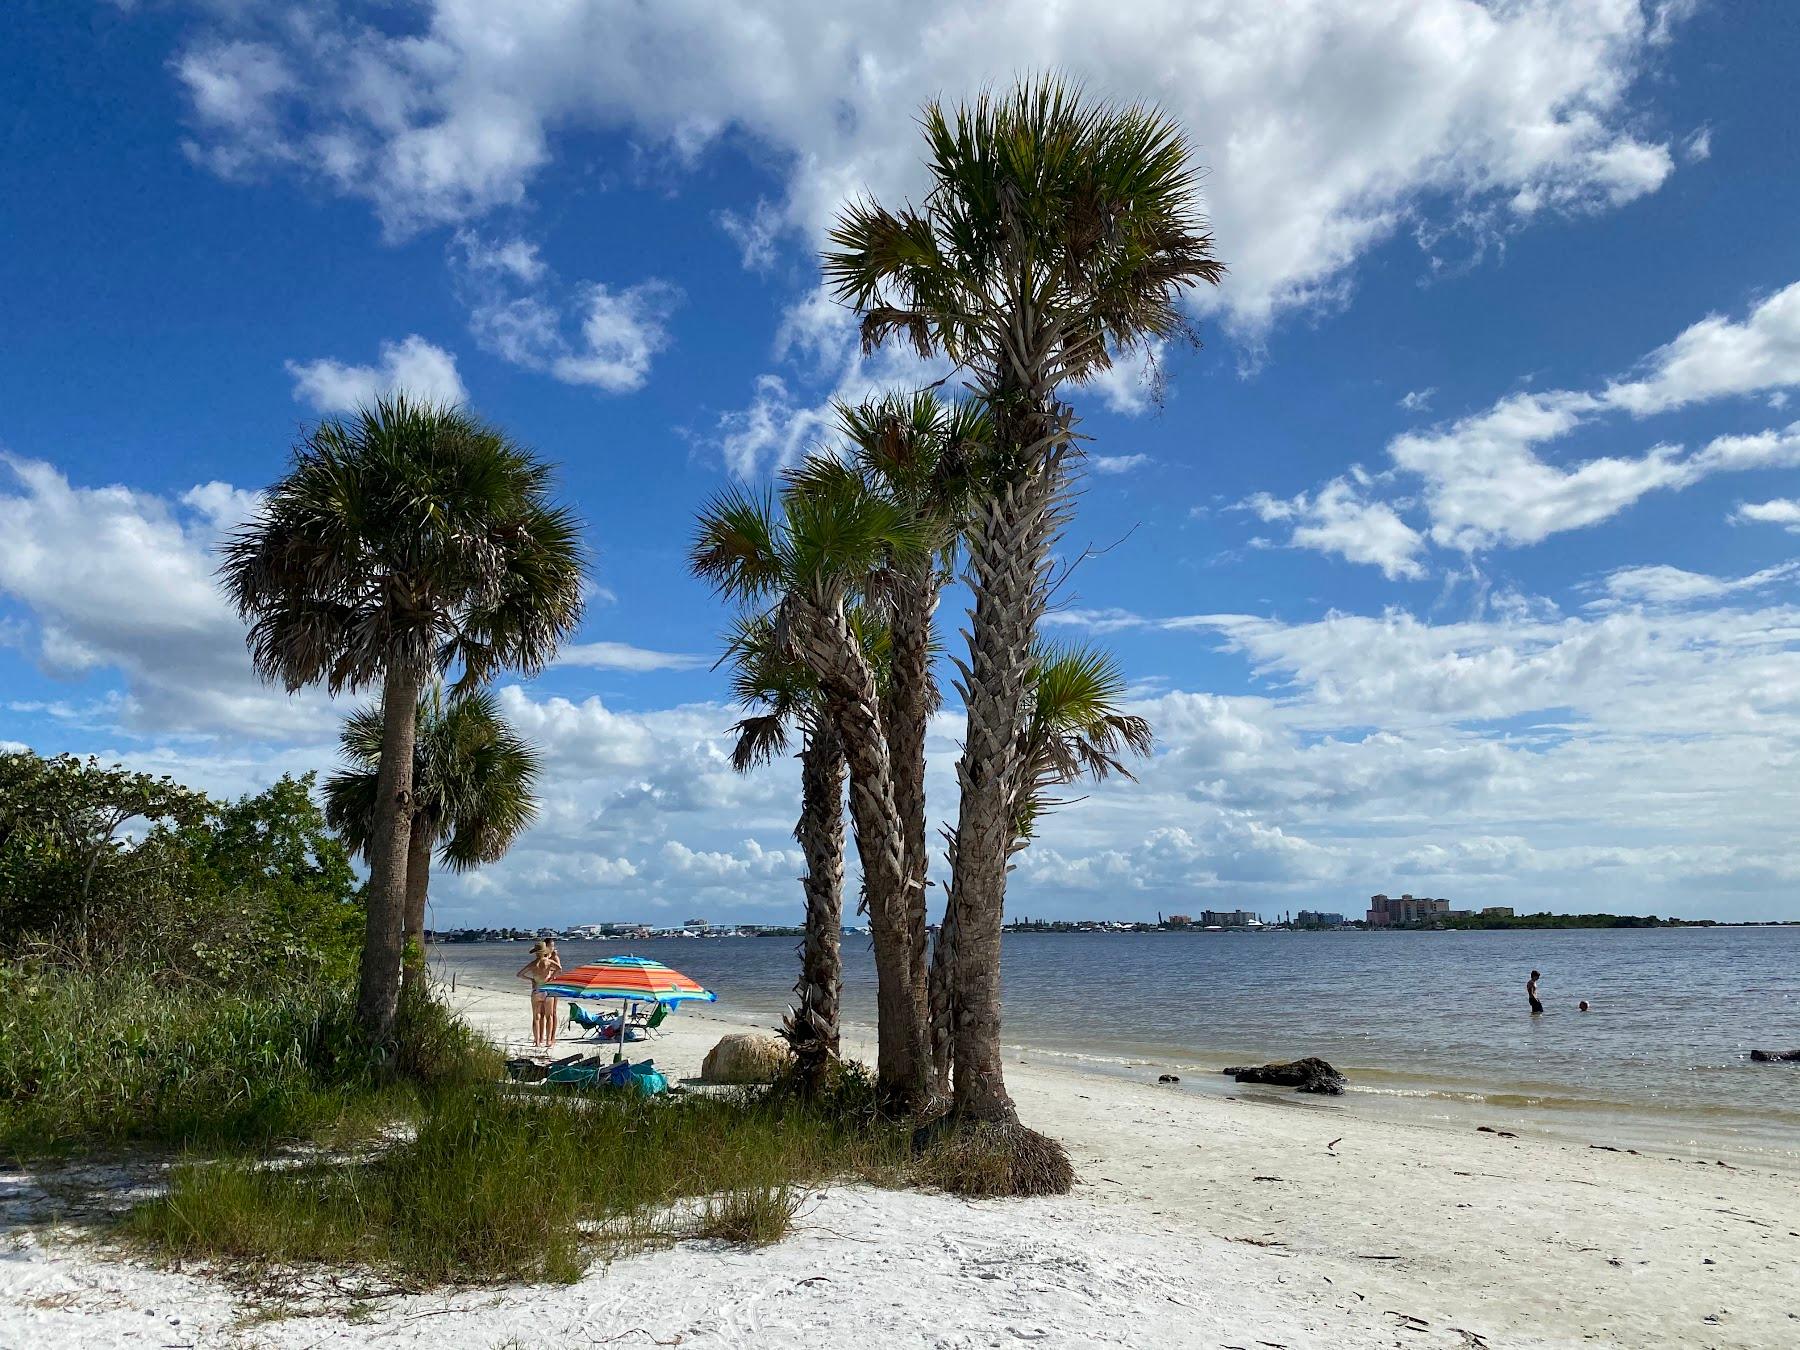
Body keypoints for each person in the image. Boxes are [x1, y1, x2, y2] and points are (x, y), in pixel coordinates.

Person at [516, 941, 562, 1049]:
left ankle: (537, 1041)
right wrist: (551, 977)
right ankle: (549, 1040)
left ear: (536, 953)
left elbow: (519, 974)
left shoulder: (533, 964)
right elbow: (559, 968)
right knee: (549, 1016)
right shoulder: (549, 962)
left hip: (537, 990)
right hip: (547, 990)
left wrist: (531, 979)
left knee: (536, 1017)